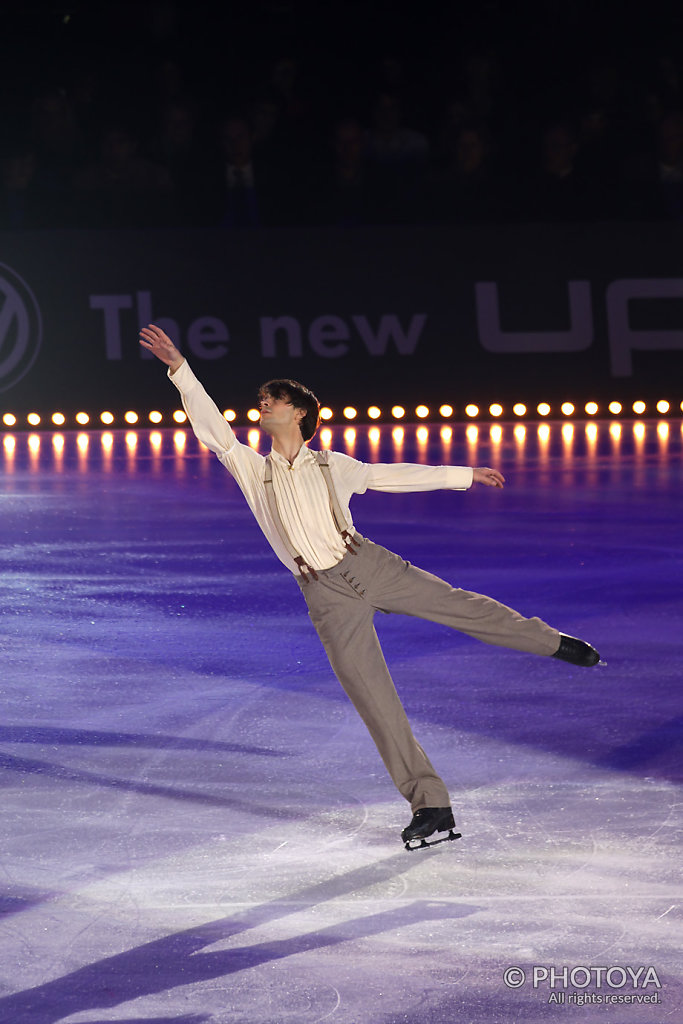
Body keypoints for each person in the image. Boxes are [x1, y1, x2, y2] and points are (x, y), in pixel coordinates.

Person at [139, 324, 600, 850]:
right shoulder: (250, 466)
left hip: (370, 565)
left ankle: (553, 643)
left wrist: (463, 475)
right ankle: (431, 805)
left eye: (274, 398)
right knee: (373, 698)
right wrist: (179, 368)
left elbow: (391, 475)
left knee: (461, 607)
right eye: (263, 398)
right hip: (324, 596)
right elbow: (211, 428)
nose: (262, 403)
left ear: (300, 413)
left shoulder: (334, 465)